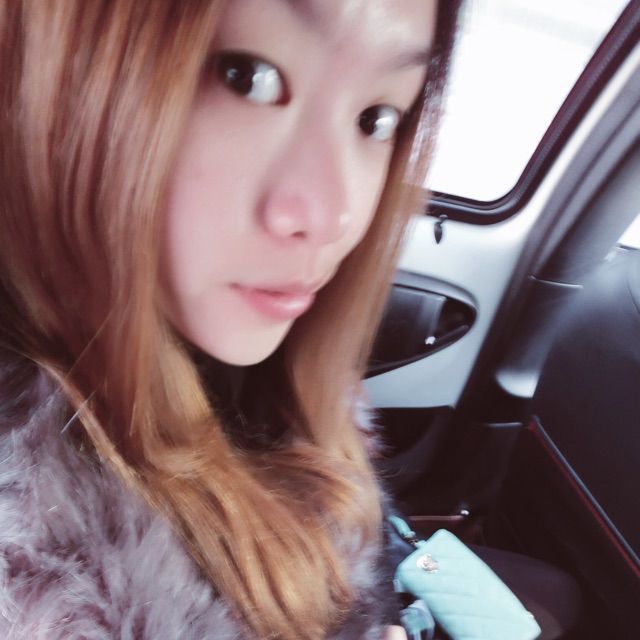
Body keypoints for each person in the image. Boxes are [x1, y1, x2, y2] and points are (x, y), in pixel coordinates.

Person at [0, 1, 461, 638]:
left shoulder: (273, 381)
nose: (332, 216)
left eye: (376, 118)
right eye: (247, 77)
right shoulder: (34, 578)